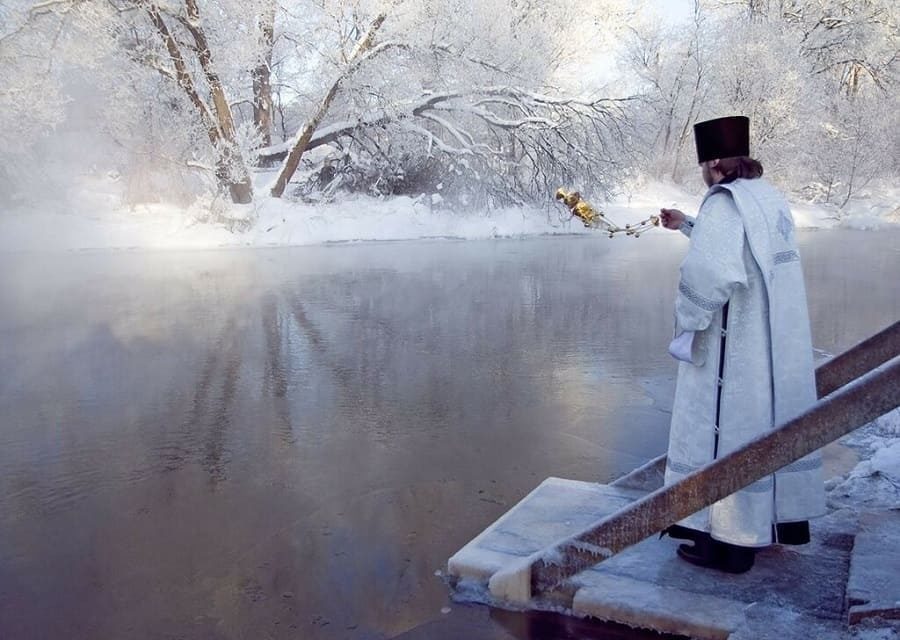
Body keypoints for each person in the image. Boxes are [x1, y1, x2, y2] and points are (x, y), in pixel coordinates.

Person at [658, 115, 825, 573]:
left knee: (724, 437)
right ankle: (756, 529)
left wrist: (686, 323)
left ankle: (728, 544)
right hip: (770, 349)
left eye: (703, 166)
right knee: (759, 431)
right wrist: (689, 224)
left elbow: (712, 272)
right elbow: (740, 249)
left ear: (714, 162)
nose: (703, 174)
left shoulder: (724, 202)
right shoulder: (766, 198)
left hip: (732, 355)